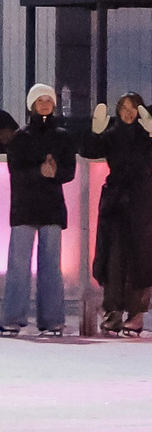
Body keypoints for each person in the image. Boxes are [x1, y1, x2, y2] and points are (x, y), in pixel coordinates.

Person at [81, 93, 152, 335]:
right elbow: (88, 150)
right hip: (115, 201)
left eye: (133, 107)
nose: (127, 112)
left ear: (141, 110)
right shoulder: (112, 134)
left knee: (141, 257)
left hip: (143, 200)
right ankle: (112, 311)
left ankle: (136, 315)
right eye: (123, 107)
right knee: (113, 257)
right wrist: (95, 131)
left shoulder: (148, 135)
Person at [5, 84, 78, 336]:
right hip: (24, 208)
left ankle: (52, 321)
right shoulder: (20, 137)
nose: (45, 104)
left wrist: (56, 171)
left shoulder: (63, 137)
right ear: (31, 105)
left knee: (51, 267)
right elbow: (16, 171)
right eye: (40, 100)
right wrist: (41, 172)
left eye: (49, 100)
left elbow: (70, 170)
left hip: (52, 209)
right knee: (18, 266)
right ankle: (12, 319)